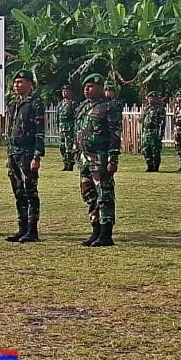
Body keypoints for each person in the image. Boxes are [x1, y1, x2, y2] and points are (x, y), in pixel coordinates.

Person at [76, 73, 121, 247]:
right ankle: (95, 229)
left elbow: (115, 134)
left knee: (104, 195)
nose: (86, 90)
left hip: (100, 157)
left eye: (90, 87)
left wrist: (113, 158)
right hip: (85, 158)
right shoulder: (83, 107)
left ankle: (106, 233)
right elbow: (78, 130)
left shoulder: (108, 108)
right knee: (89, 194)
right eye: (85, 87)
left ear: (100, 88)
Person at [5, 70, 45, 243]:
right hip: (14, 153)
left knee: (30, 192)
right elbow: (10, 131)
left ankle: (32, 230)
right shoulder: (13, 104)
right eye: (15, 82)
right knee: (18, 191)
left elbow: (40, 132)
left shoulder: (35, 104)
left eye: (20, 82)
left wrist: (37, 156)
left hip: (28, 153)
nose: (17, 85)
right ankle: (22, 228)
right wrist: (8, 155)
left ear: (30, 84)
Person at [139, 91, 166, 172]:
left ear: (157, 99)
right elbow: (143, 121)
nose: (151, 100)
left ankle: (155, 166)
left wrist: (160, 134)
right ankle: (149, 165)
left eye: (153, 98)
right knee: (146, 149)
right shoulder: (146, 108)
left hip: (154, 132)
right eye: (149, 98)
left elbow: (162, 123)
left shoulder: (160, 109)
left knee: (155, 150)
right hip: (146, 132)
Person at [57, 86, 78, 171]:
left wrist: (75, 129)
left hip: (70, 128)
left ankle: (70, 164)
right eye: (63, 91)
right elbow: (58, 117)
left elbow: (76, 117)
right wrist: (57, 127)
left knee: (68, 146)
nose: (64, 93)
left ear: (70, 92)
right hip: (62, 128)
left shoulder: (73, 104)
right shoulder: (60, 104)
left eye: (66, 91)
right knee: (62, 147)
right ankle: (65, 163)